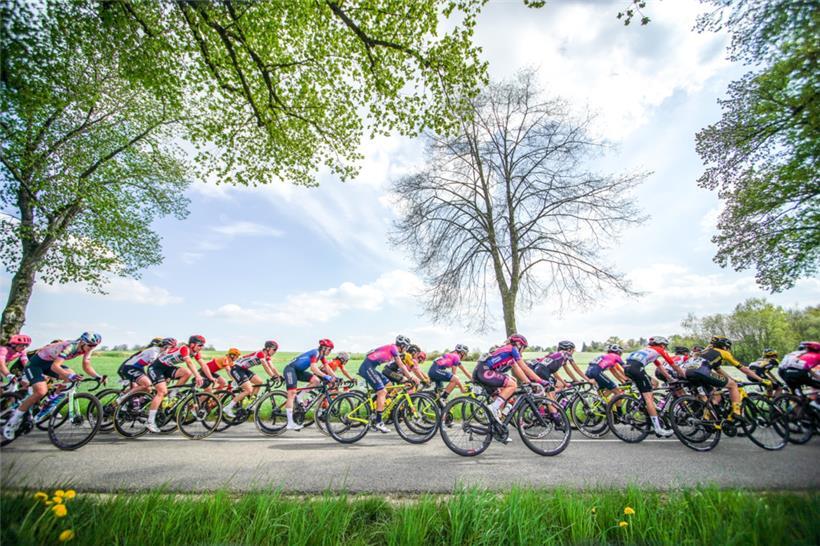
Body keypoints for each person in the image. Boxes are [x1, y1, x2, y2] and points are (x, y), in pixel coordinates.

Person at [3, 332, 103, 440]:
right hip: (36, 365)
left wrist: (98, 376)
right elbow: (56, 366)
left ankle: (50, 401)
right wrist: (70, 375)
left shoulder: (87, 349)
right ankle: (12, 422)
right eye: (91, 345)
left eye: (95, 346)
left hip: (49, 364)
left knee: (69, 381)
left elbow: (86, 366)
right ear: (83, 342)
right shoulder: (70, 347)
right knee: (41, 391)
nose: (92, 348)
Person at [684, 336, 770, 418]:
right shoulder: (723, 352)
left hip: (689, 373)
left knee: (713, 395)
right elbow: (743, 369)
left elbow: (719, 371)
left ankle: (708, 417)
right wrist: (761, 379)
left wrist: (732, 379)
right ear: (724, 347)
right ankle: (737, 412)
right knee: (733, 386)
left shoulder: (707, 352)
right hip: (701, 372)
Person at [623, 336, 687, 437]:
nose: (665, 348)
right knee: (649, 399)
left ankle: (639, 402)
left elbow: (660, 367)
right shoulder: (659, 349)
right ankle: (658, 428)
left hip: (627, 368)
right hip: (636, 369)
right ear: (661, 344)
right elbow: (674, 365)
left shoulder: (648, 350)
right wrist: (685, 376)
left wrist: (670, 378)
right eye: (665, 346)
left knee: (654, 383)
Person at [357, 335, 419, 433]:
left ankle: (377, 408)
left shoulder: (392, 348)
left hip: (371, 367)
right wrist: (410, 377)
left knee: (389, 385)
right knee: (382, 391)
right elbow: (401, 365)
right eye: (406, 347)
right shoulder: (394, 348)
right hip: (367, 367)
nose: (406, 349)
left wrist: (406, 379)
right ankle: (379, 422)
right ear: (402, 345)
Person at [146, 335, 207, 433]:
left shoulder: (195, 352)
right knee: (161, 392)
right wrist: (198, 376)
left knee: (187, 373)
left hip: (167, 368)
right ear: (192, 344)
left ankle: (173, 394)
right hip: (156, 368)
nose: (201, 347)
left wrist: (211, 378)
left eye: (203, 346)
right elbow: (189, 363)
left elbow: (203, 364)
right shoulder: (184, 349)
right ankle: (150, 422)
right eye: (200, 345)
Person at [282, 339, 335, 431]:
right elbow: (313, 368)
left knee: (316, 380)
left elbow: (327, 367)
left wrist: (335, 377)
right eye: (329, 350)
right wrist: (327, 376)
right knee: (292, 393)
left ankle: (299, 397)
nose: (330, 352)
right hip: (290, 369)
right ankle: (290, 424)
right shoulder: (315, 352)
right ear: (324, 348)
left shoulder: (321, 355)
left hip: (298, 371)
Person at [225, 341, 281, 418]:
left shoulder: (267, 357)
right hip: (237, 368)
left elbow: (272, 367)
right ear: (268, 348)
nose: (275, 352)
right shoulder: (260, 353)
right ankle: (227, 408)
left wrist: (280, 377)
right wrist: (273, 376)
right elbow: (266, 366)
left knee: (259, 382)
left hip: (244, 369)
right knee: (248, 390)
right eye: (274, 350)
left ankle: (251, 404)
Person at [115, 337, 177, 404]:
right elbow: (153, 365)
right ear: (166, 347)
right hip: (130, 367)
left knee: (148, 389)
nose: (171, 350)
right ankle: (122, 399)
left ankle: (132, 403)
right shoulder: (154, 351)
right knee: (146, 384)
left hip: (138, 368)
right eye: (171, 348)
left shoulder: (160, 352)